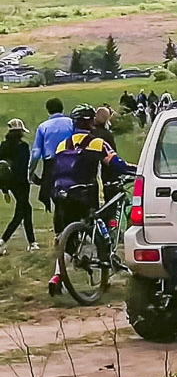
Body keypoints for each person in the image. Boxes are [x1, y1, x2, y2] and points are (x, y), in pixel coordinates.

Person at [47, 105, 136, 295]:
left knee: (69, 239)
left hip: (62, 195)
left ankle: (56, 276)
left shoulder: (62, 145)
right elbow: (117, 164)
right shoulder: (96, 143)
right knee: (99, 229)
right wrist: (138, 170)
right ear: (91, 123)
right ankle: (104, 263)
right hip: (86, 195)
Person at [29, 98, 75, 212]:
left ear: (48, 110)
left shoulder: (43, 127)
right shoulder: (71, 123)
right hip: (71, 161)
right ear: (62, 108)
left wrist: (31, 171)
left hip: (51, 164)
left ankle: (59, 218)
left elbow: (36, 153)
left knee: (53, 195)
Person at [0, 119, 36, 254]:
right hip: (21, 184)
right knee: (20, 213)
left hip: (9, 184)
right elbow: (23, 169)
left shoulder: (3, 146)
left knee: (27, 210)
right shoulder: (23, 147)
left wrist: (4, 189)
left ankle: (32, 242)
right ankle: (3, 240)